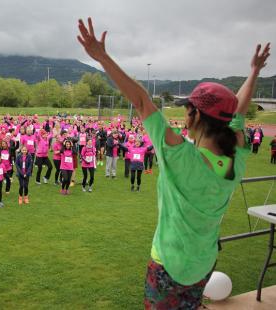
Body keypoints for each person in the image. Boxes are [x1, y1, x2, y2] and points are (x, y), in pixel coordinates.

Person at [78, 17, 270, 308]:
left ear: (195, 115)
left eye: (188, 109)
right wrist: (254, 71)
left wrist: (102, 57)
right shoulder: (237, 154)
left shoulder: (178, 155)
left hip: (168, 264)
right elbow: (239, 107)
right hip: (203, 262)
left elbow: (141, 102)